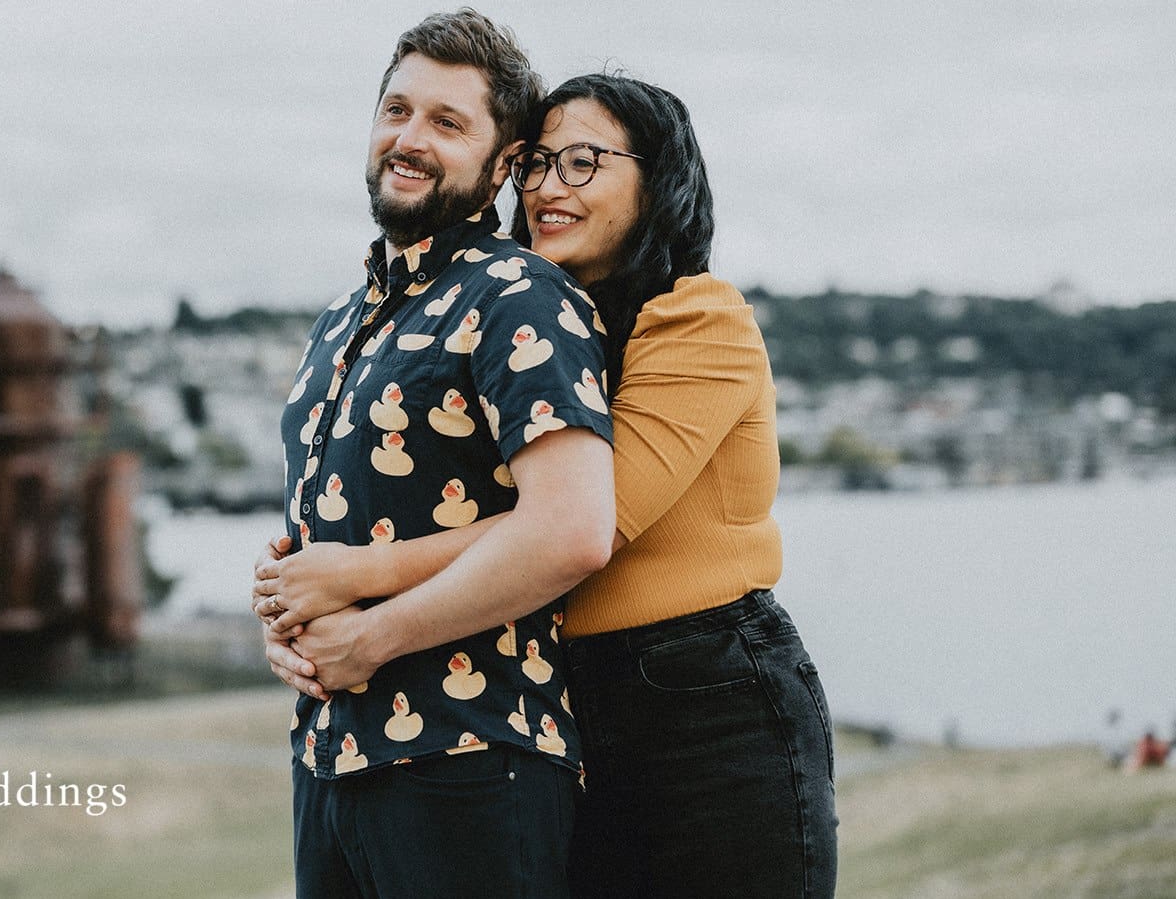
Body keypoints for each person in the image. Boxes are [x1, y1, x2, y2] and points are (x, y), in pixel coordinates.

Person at [258, 71, 839, 897]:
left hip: (706, 698)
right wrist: (295, 586)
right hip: (575, 700)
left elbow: (588, 524)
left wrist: (354, 580)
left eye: (583, 162)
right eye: (534, 163)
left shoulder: (700, 317)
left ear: (660, 180)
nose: (545, 188)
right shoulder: (544, 333)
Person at [266, 8, 617, 898]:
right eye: (397, 111)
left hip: (470, 755)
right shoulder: (339, 321)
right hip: (328, 762)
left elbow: (573, 530)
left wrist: (371, 635)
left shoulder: (520, 295)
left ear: (503, 165)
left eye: (447, 122)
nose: (409, 139)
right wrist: (292, 621)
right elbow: (332, 546)